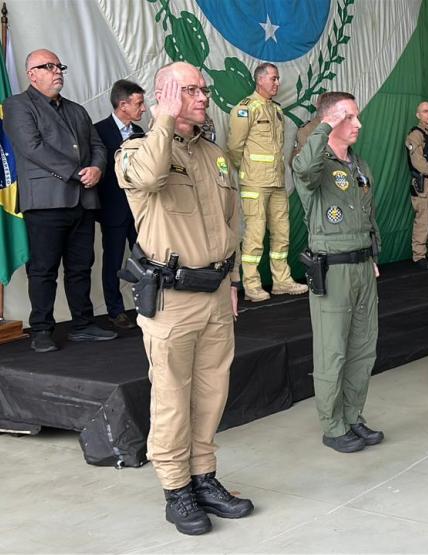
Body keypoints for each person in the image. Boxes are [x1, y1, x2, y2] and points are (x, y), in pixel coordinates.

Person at [116, 62, 253, 535]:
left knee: (212, 392)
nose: (201, 97)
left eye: (202, 89)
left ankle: (203, 477)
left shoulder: (215, 154)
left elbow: (230, 224)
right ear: (164, 94)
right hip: (172, 298)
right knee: (173, 396)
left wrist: (232, 281)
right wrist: (163, 119)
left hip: (215, 294)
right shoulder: (136, 149)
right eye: (188, 90)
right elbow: (149, 178)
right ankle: (176, 489)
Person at [5, 49, 116, 353]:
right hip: (45, 202)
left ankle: (83, 325)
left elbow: (97, 146)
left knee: (81, 267)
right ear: (32, 74)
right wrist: (78, 172)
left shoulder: (77, 109)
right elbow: (32, 147)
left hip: (83, 201)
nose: (57, 71)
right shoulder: (17, 106)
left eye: (59, 66)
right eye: (48, 66)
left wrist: (98, 168)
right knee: (43, 270)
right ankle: (41, 329)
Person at [291, 92, 383, 454]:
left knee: (363, 348)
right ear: (331, 121)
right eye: (350, 117)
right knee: (333, 352)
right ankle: (332, 425)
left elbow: (368, 215)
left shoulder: (359, 166)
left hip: (361, 265)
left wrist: (371, 254)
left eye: (357, 117)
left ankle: (352, 416)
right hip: (333, 271)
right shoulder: (315, 165)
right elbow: (302, 170)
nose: (358, 124)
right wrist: (326, 123)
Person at [227, 63, 307, 302]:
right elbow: (234, 148)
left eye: (278, 79)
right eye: (273, 78)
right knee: (254, 234)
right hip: (255, 183)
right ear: (259, 80)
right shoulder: (245, 109)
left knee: (282, 233)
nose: (277, 83)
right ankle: (252, 285)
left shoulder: (276, 110)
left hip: (277, 182)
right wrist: (250, 171)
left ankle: (281, 281)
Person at [94, 79, 145, 330]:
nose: (143, 108)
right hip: (113, 209)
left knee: (145, 260)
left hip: (140, 211)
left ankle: (146, 306)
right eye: (139, 103)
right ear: (123, 105)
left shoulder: (141, 133)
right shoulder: (98, 131)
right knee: (113, 261)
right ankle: (115, 311)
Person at [404, 101, 428, 268]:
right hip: (423, 183)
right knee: (423, 221)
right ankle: (419, 256)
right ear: (418, 115)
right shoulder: (415, 136)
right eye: (425, 111)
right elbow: (418, 162)